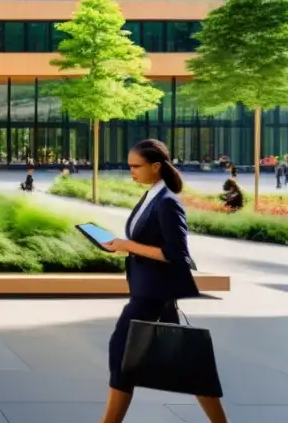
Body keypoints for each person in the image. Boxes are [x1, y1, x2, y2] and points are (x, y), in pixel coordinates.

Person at [99, 139, 226, 423]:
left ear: (156, 167)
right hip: (153, 292)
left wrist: (128, 246)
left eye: (135, 166)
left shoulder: (167, 203)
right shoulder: (151, 196)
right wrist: (122, 244)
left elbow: (177, 254)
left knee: (121, 352)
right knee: (190, 364)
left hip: (152, 296)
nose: (130, 170)